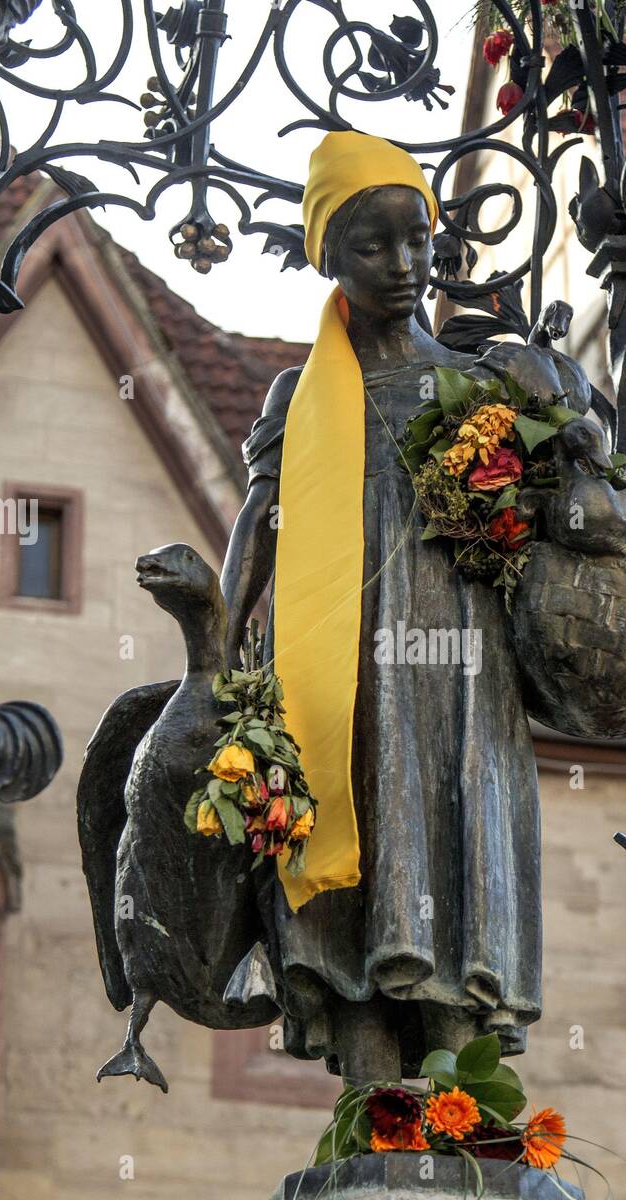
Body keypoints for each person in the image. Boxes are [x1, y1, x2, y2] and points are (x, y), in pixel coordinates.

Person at [221, 131, 548, 1084]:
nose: (405, 266)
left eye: (418, 240)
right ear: (329, 254)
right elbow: (261, 528)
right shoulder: (302, 395)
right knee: (349, 843)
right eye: (374, 245)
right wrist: (214, 647)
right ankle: (370, 1099)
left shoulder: (477, 387)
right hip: (341, 673)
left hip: (458, 669)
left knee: (447, 837)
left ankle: (463, 1088)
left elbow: (541, 532)